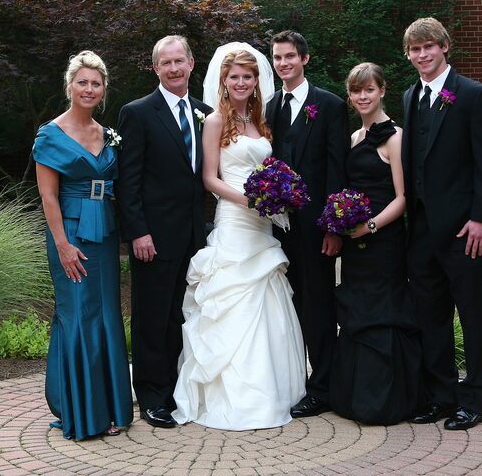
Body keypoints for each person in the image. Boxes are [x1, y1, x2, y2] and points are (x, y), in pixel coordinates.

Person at [171, 49, 306, 430]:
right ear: (224, 81)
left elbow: (270, 169)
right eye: (235, 78)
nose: (242, 83)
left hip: (261, 225)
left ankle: (275, 389)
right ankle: (231, 397)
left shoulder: (262, 123)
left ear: (255, 81)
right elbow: (210, 179)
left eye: (248, 77)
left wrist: (277, 196)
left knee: (266, 300)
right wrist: (251, 200)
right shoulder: (214, 121)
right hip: (234, 219)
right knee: (232, 302)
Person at [400, 18, 482, 431]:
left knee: (473, 315)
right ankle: (442, 396)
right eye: (414, 50)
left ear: (445, 47)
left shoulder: (474, 95)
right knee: (431, 315)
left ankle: (476, 400)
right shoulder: (410, 96)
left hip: (465, 230)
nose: (422, 55)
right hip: (422, 228)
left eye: (428, 47)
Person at [33, 50, 132, 440]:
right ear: (69, 86)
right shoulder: (49, 134)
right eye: (82, 82)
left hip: (104, 233)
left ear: (104, 89)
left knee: (106, 312)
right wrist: (61, 244)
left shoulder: (106, 133)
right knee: (77, 313)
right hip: (70, 232)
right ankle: (80, 411)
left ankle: (108, 408)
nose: (89, 89)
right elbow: (48, 197)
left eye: (96, 83)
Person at [117, 36, 213, 429]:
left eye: (180, 61)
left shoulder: (206, 113)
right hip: (153, 239)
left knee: (182, 317)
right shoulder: (137, 113)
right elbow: (128, 180)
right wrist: (138, 232)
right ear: (155, 68)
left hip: (195, 237)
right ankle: (152, 398)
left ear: (192, 63)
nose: (173, 69)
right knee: (152, 319)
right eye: (165, 63)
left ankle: (177, 392)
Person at [330, 62, 424, 425]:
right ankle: (354, 396)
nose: (362, 96)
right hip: (355, 244)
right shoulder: (354, 138)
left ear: (382, 90)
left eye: (369, 89)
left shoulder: (395, 137)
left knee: (383, 312)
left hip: (384, 242)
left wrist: (369, 225)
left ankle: (386, 400)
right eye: (356, 91)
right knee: (357, 309)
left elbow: (403, 199)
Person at [265, 30, 350, 418]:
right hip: (276, 230)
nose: (283, 63)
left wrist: (334, 227)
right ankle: (294, 381)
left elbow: (337, 169)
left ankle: (323, 387)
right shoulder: (269, 108)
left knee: (318, 306)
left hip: (317, 228)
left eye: (289, 57)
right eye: (278, 58)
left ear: (305, 59)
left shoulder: (329, 105)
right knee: (287, 305)